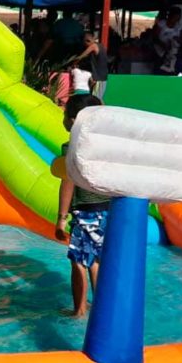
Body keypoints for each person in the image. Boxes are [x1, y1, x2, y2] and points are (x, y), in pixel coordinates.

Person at [55, 94, 109, 318]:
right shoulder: (105, 145)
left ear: (75, 119)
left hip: (85, 210)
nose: (63, 119)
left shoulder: (73, 146)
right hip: (107, 209)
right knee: (96, 259)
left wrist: (62, 217)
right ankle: (100, 311)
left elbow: (69, 181)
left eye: (66, 114)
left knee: (78, 261)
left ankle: (79, 310)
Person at [72, 32, 108, 100]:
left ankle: (105, 110)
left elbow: (81, 56)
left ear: (87, 40)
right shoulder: (101, 46)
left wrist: (73, 64)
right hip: (102, 77)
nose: (85, 45)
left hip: (98, 78)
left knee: (96, 99)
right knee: (97, 98)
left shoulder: (93, 46)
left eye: (85, 43)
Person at [153, 6, 182, 74]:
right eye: (178, 15)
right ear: (173, 15)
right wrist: (162, 45)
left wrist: (178, 40)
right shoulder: (161, 24)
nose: (179, 18)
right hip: (159, 54)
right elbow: (154, 37)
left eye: (180, 16)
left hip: (173, 55)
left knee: (172, 72)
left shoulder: (180, 28)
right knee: (159, 72)